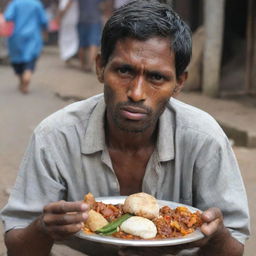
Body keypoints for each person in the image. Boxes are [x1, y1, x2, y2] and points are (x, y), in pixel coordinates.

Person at [0, 1, 250, 255]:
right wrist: (43, 228)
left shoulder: (204, 138)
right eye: (124, 70)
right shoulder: (55, 136)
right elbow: (17, 245)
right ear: (100, 67)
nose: (136, 93)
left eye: (157, 77)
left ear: (178, 83)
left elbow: (233, 247)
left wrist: (216, 236)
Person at [2, 0, 48, 94]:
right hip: (33, 36)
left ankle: (21, 79)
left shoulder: (15, 3)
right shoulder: (36, 4)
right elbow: (44, 20)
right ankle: (27, 75)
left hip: (16, 36)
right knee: (30, 58)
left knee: (17, 60)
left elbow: (7, 17)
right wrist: (45, 31)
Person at [77, 0, 111, 72]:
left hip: (81, 18)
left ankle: (82, 65)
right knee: (93, 43)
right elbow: (104, 5)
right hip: (95, 19)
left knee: (81, 43)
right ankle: (89, 65)